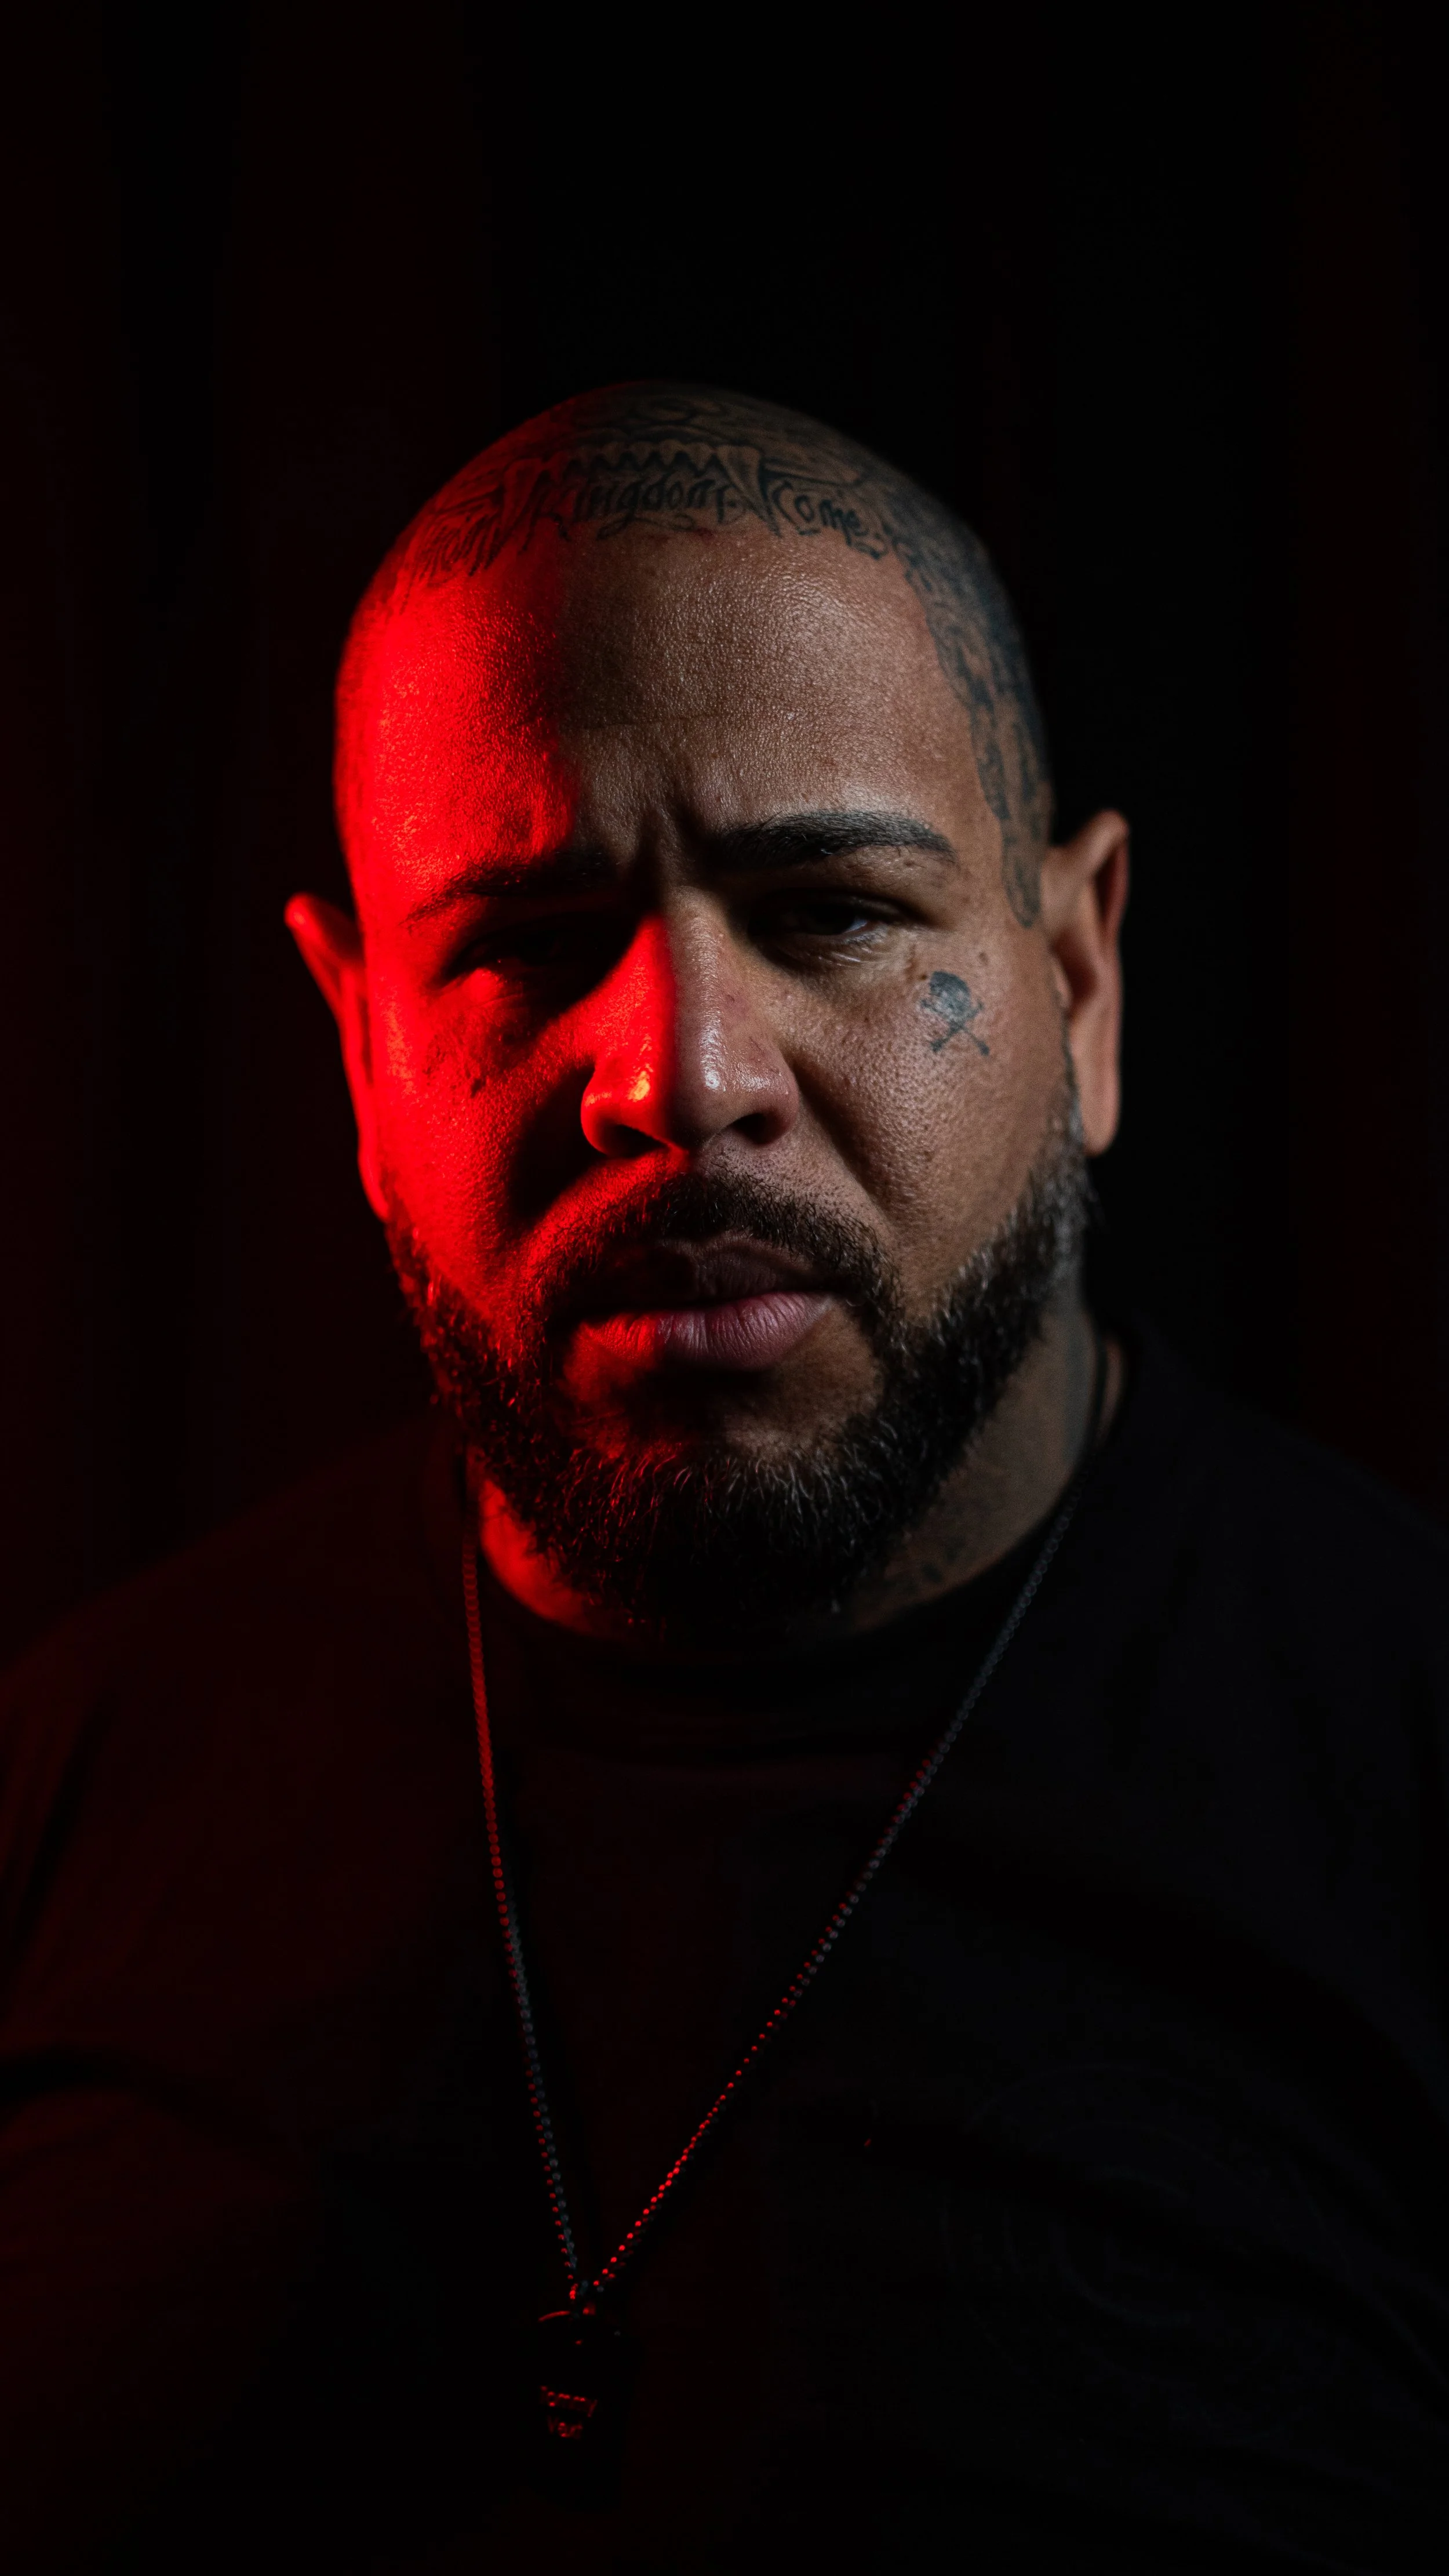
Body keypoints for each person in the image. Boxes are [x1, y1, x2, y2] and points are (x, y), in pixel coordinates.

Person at [2, 383, 1447, 2575]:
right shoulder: (60, 1799)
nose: (679, 1075)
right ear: (363, 1056)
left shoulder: (1407, 1766)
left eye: (831, 911)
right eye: (518, 946)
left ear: (1081, 978)